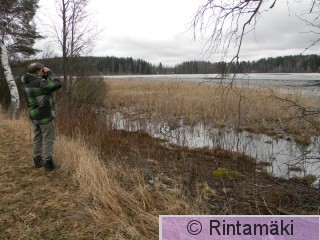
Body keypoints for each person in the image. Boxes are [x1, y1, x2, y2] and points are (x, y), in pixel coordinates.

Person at [21, 62, 62, 171]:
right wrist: (49, 72)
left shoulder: (27, 82)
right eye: (41, 70)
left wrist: (43, 75)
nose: (42, 72)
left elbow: (41, 85)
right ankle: (49, 164)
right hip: (44, 115)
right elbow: (57, 83)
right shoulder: (41, 82)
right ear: (38, 71)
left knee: (37, 137)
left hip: (34, 115)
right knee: (49, 138)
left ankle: (37, 160)